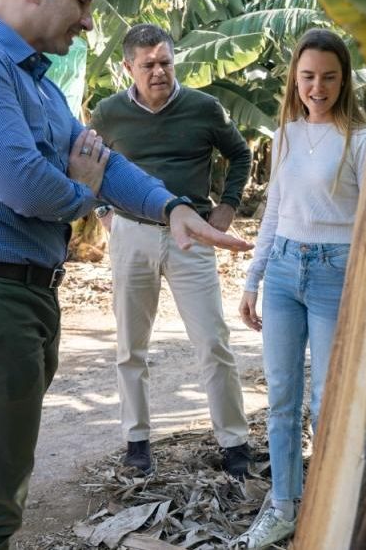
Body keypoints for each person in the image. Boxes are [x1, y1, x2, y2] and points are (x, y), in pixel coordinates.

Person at [0, 0, 251, 549]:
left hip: (15, 297)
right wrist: (84, 192)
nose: (90, 19)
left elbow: (105, 164)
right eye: (82, 1)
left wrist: (170, 208)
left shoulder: (34, 83)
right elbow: (27, 186)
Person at [92, 24, 254, 477]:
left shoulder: (204, 108)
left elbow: (240, 154)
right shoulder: (108, 114)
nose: (159, 71)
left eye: (165, 62)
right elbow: (86, 164)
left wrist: (228, 205)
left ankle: (235, 443)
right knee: (130, 347)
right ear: (128, 67)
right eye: (148, 65)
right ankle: (137, 442)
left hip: (193, 236)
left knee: (212, 341)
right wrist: (104, 211)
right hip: (131, 234)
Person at [234, 29, 366, 547]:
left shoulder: (361, 137)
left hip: (336, 271)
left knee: (326, 396)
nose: (318, 87)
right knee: (282, 398)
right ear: (295, 76)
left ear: (344, 80)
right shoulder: (285, 132)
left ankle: (337, 507)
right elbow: (273, 211)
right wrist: (253, 279)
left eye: (329, 77)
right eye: (309, 75)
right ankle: (285, 505)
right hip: (284, 272)